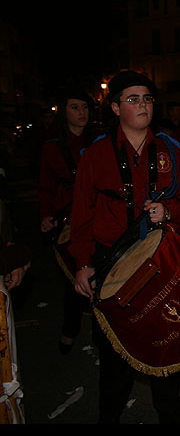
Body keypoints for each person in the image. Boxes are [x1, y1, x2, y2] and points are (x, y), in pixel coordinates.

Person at [69, 70, 180, 424]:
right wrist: (83, 263)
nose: (142, 105)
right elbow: (81, 214)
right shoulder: (95, 156)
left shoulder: (171, 149)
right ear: (114, 108)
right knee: (114, 359)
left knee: (167, 343)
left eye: (147, 99)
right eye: (132, 99)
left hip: (161, 261)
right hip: (112, 263)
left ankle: (171, 414)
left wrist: (169, 209)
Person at [38, 88, 97, 355]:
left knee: (103, 276)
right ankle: (70, 330)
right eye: (75, 108)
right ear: (64, 112)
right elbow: (46, 186)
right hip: (68, 220)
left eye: (84, 107)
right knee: (76, 277)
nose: (81, 113)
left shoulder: (99, 141)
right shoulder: (52, 146)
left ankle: (104, 336)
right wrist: (45, 215)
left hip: (97, 216)